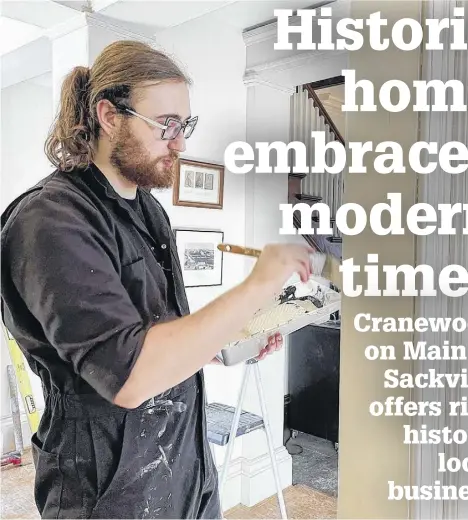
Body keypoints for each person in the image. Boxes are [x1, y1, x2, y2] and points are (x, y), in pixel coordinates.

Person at [0, 40, 312, 519]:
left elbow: (154, 335)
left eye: (184, 125)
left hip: (184, 466)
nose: (181, 142)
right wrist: (256, 286)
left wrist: (227, 339)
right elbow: (127, 375)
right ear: (109, 115)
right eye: (166, 124)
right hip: (106, 487)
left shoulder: (148, 210)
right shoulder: (50, 220)